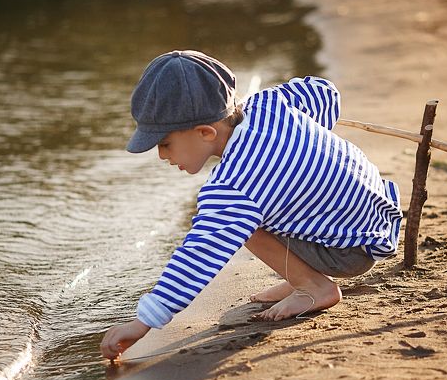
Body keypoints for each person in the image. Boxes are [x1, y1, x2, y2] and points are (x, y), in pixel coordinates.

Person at [99, 50, 402, 360]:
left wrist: (143, 323)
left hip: (348, 251)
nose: (162, 156)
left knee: (244, 224)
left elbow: (200, 254)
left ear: (205, 133)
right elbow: (323, 92)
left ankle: (313, 287)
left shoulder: (235, 183)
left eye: (165, 143)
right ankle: (300, 275)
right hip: (375, 216)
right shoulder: (268, 104)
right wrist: (305, 149)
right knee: (267, 201)